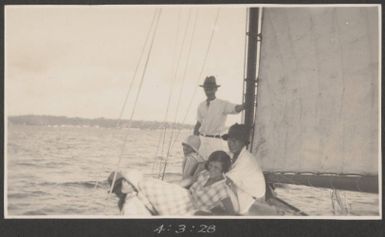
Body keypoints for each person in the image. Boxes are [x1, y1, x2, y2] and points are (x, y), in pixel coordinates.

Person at [108, 151, 238, 216]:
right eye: (211, 166)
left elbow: (232, 214)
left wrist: (211, 214)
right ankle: (132, 187)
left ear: (224, 169)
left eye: (217, 168)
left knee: (145, 185)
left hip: (193, 210)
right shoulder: (205, 174)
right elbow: (187, 182)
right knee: (148, 187)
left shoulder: (223, 189)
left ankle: (131, 184)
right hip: (183, 197)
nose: (212, 170)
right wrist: (167, 186)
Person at [193, 76, 244, 159]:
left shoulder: (222, 104)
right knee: (201, 165)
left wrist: (243, 106)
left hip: (215, 142)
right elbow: (198, 123)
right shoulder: (201, 106)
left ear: (215, 89)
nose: (208, 90)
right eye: (206, 88)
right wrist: (194, 139)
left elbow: (235, 108)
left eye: (211, 88)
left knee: (216, 165)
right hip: (202, 141)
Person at [221, 123, 266, 214]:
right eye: (229, 140)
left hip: (252, 198)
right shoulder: (232, 154)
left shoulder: (246, 159)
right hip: (243, 189)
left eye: (235, 141)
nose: (231, 144)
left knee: (219, 190)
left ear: (243, 142)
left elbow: (224, 179)